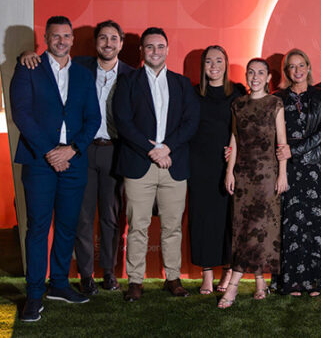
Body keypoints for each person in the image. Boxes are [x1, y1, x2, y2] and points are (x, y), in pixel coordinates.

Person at [18, 19, 134, 295]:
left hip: (102, 151)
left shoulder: (129, 75)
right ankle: (70, 280)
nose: (108, 43)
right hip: (69, 153)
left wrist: (70, 150)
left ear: (121, 43)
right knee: (67, 220)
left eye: (113, 38)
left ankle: (99, 274)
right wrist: (24, 54)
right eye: (103, 38)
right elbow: (24, 109)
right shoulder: (73, 66)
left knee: (104, 216)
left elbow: (101, 116)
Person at [11, 16, 100, 322]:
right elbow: (21, 114)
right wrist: (50, 151)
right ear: (46, 38)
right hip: (39, 160)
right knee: (38, 227)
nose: (61, 41)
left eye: (66, 36)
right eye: (55, 36)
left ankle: (59, 284)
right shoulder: (29, 68)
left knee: (66, 225)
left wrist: (71, 150)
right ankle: (35, 293)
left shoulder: (84, 74)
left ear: (72, 39)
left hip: (74, 160)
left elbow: (93, 118)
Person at [112, 27, 200, 302]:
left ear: (167, 50)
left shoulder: (181, 83)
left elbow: (191, 122)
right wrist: (153, 150)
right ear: (141, 51)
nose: (155, 51)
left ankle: (172, 278)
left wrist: (167, 148)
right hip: (139, 163)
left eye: (160, 46)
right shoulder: (127, 81)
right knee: (137, 225)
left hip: (174, 164)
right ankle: (135, 281)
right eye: (149, 47)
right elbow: (123, 121)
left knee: (172, 227)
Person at [218, 58, 289, 308]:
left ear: (268, 78)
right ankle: (260, 282)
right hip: (243, 175)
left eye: (260, 73)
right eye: (251, 72)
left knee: (258, 228)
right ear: (247, 76)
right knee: (244, 229)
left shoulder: (275, 103)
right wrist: (229, 172)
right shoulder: (238, 104)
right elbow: (234, 139)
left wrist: (283, 174)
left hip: (267, 175)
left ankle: (233, 285)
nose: (255, 77)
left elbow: (282, 142)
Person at [274, 49, 321, 296]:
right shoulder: (277, 98)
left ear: (308, 67)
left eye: (301, 65)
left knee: (314, 224)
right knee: (291, 224)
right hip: (287, 169)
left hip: (314, 168)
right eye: (292, 66)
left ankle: (315, 280)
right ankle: (292, 281)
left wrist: (295, 150)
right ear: (286, 71)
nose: (297, 70)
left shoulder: (320, 95)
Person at [188, 46, 245, 295]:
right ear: (203, 66)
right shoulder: (193, 93)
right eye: (209, 61)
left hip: (229, 164)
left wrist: (236, 154)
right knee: (203, 220)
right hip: (199, 164)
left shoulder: (238, 92)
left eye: (219, 60)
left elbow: (244, 129)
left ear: (226, 63)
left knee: (229, 220)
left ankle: (228, 271)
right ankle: (207, 274)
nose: (214, 66)